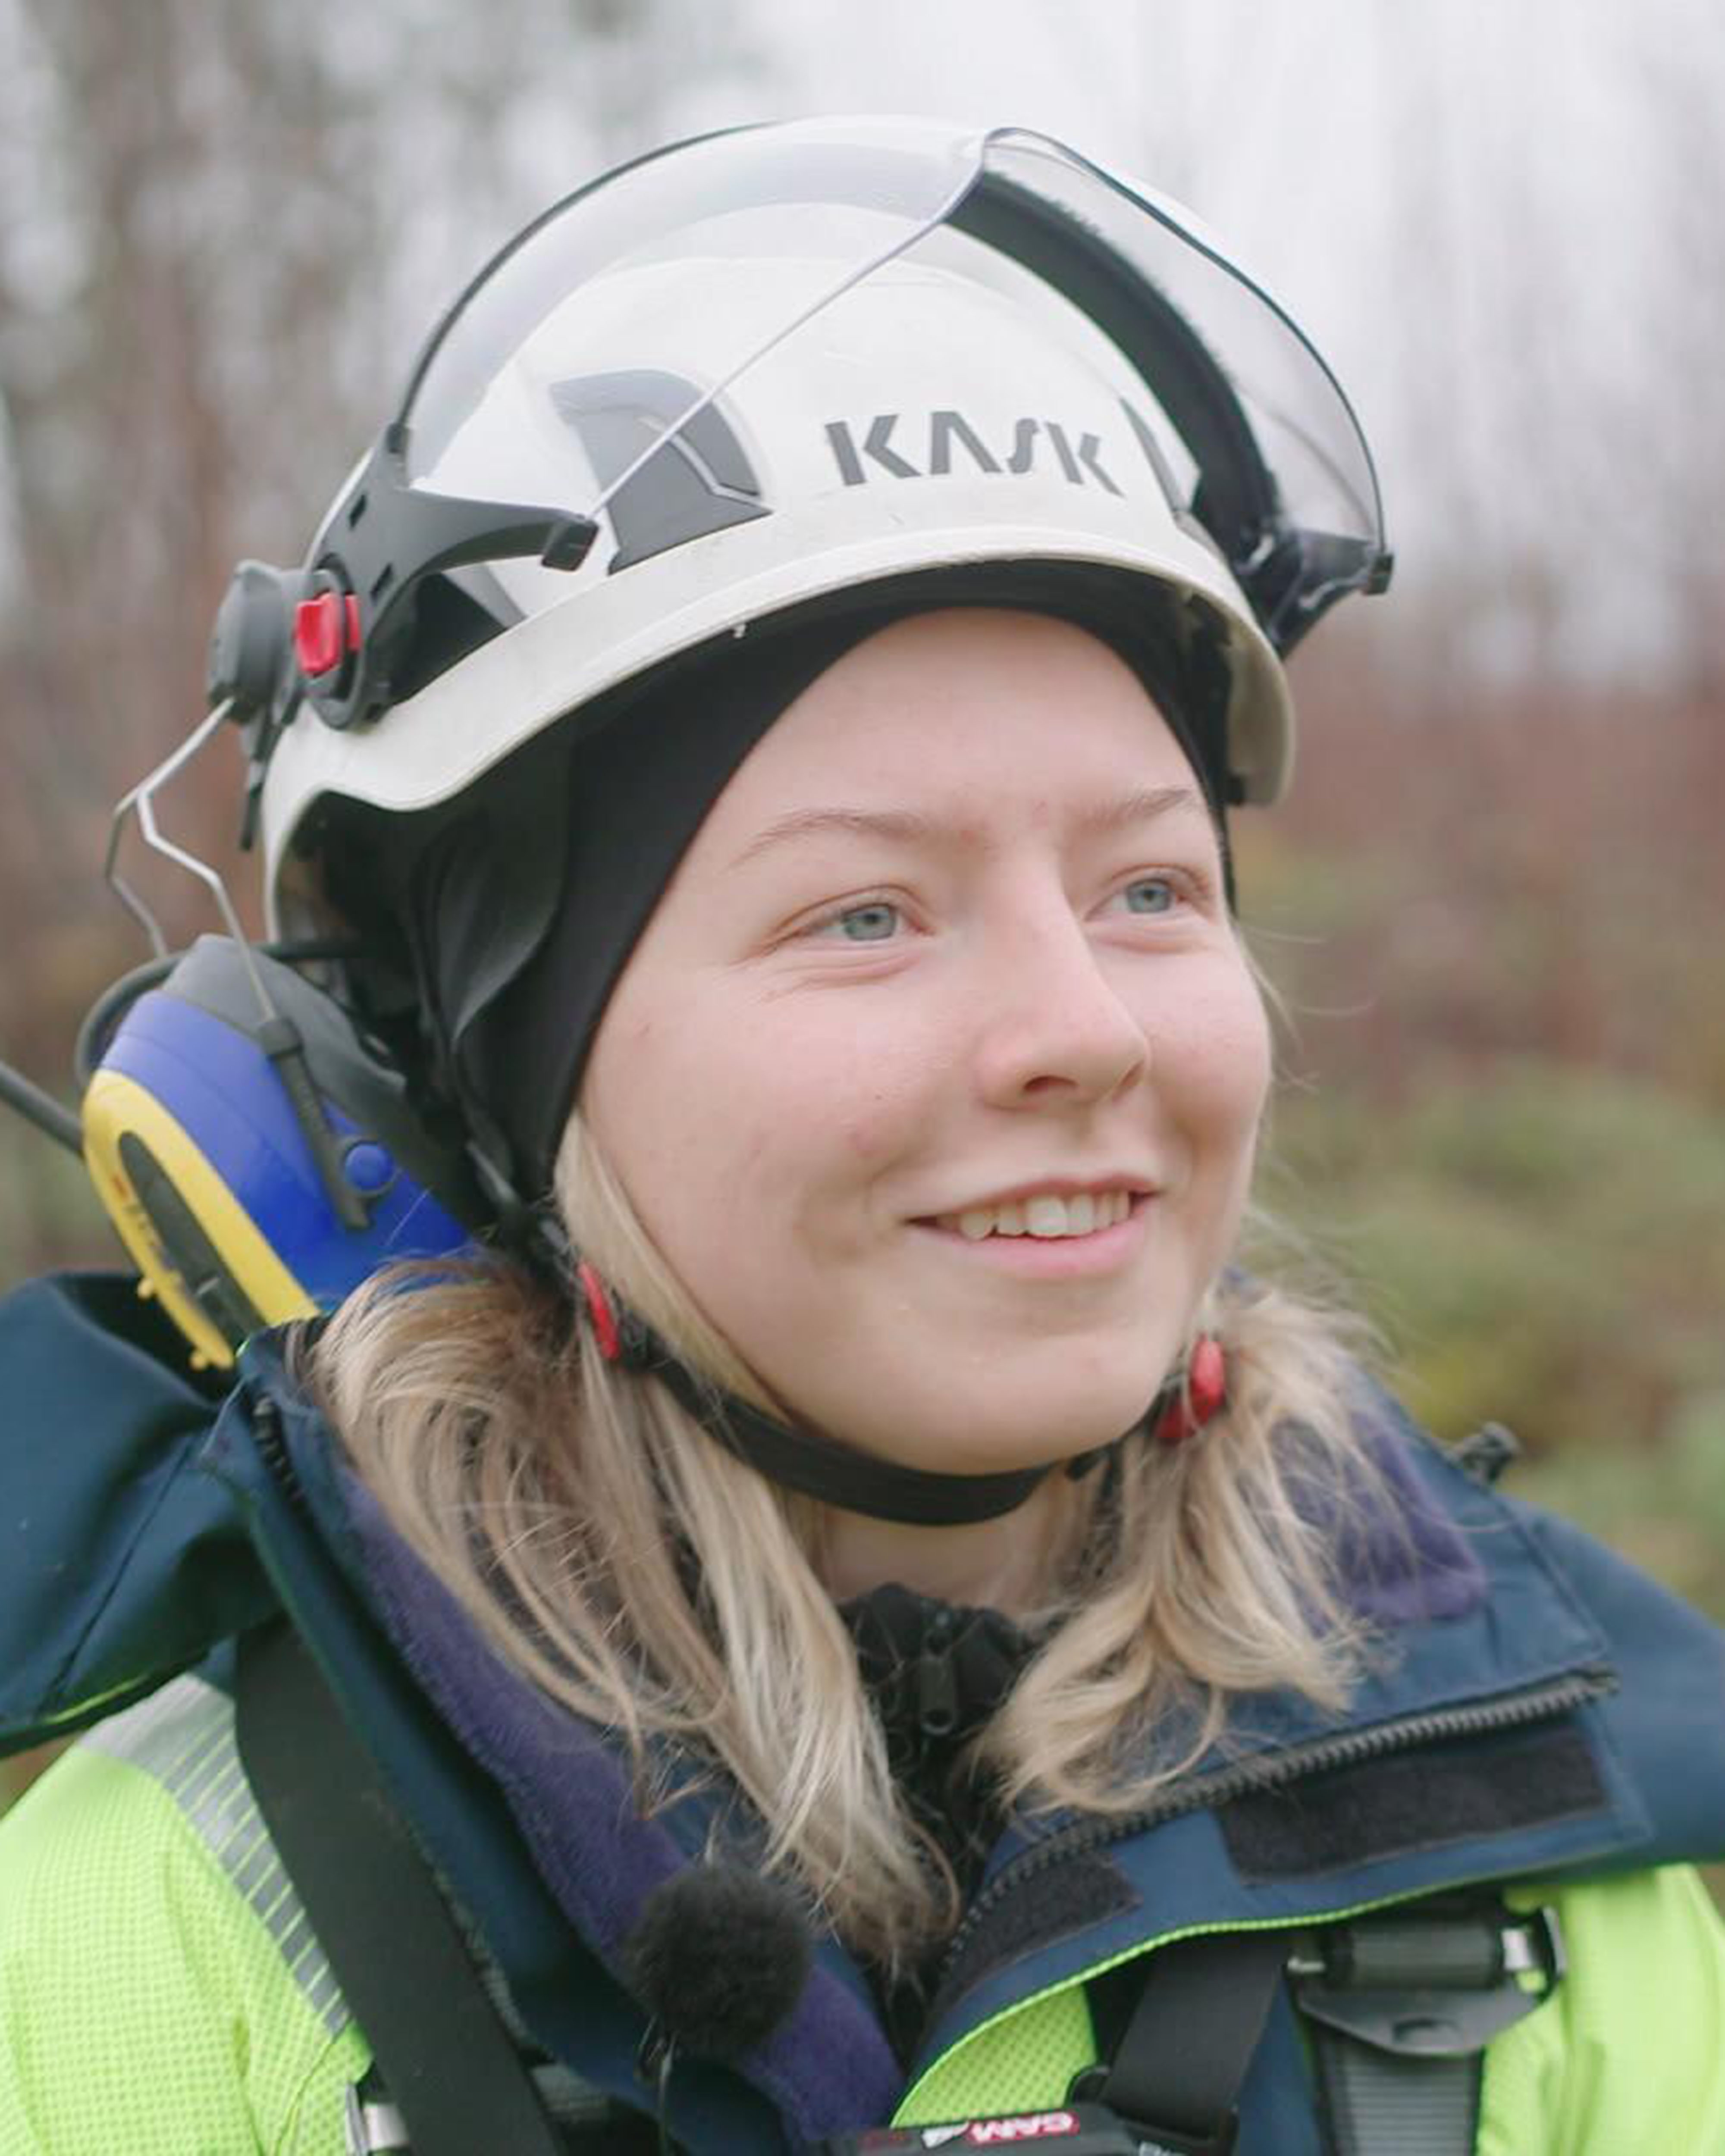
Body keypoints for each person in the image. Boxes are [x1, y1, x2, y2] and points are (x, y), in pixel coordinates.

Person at [0, 117, 1721, 2156]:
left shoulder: (1544, 1848)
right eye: (865, 913)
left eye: (1150, 889)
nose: (1081, 1029)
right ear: (480, 1084)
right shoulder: (176, 1928)